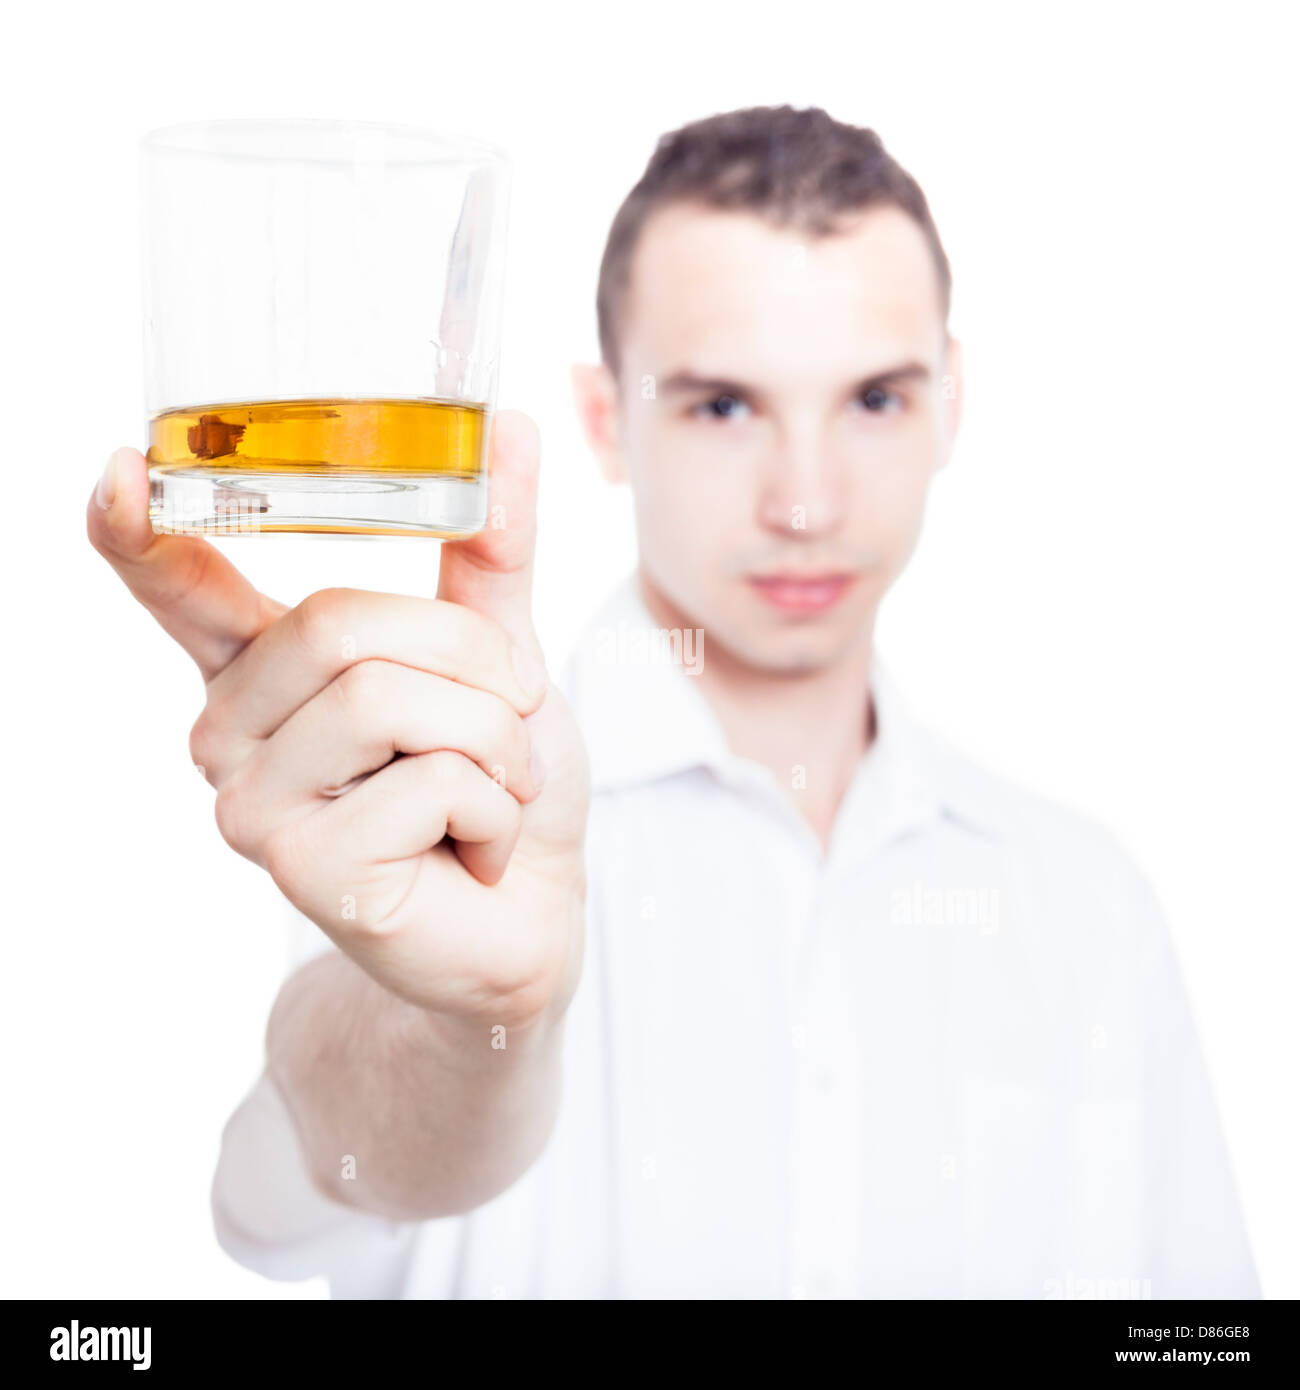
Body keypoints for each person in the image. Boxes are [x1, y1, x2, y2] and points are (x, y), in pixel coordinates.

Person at [87, 106, 1258, 1299]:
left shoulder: (1088, 903)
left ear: (949, 400)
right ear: (606, 419)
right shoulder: (446, 799)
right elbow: (275, 1208)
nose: (806, 503)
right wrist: (475, 1037)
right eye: (721, 405)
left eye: (872, 400)